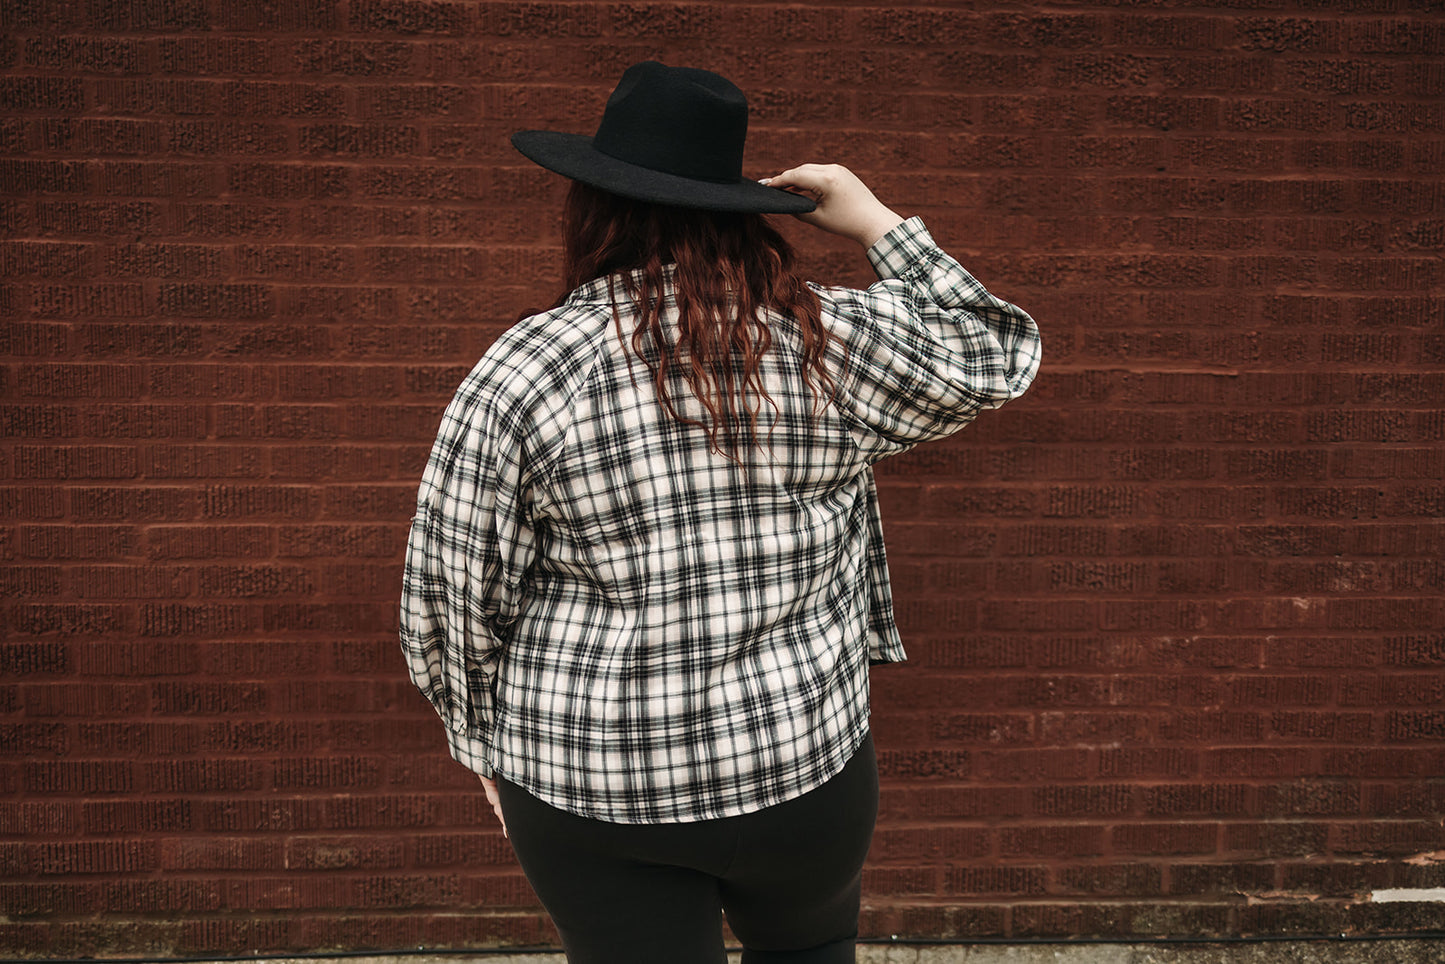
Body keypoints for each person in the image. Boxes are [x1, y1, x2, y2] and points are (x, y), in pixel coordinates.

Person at [400, 61, 1042, 964]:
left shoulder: (530, 368)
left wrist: (480, 749)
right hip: (802, 761)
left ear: (592, 209)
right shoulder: (828, 341)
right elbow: (992, 350)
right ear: (735, 210)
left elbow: (450, 595)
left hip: (593, 781)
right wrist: (877, 223)